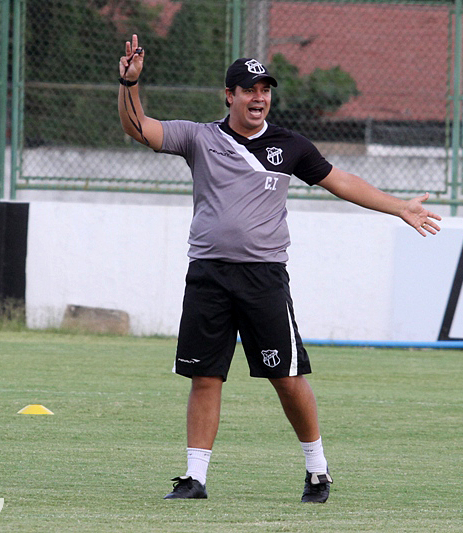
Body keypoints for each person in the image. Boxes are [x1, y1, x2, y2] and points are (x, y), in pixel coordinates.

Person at [118, 34, 441, 503]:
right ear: (229, 95)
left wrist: (398, 207)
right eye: (249, 90)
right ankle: (194, 478)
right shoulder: (200, 137)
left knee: (285, 376)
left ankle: (317, 471)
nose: (259, 98)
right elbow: (139, 128)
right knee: (205, 375)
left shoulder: (289, 145)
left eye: (265, 90)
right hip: (208, 272)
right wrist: (130, 83)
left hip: (263, 277)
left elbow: (341, 181)